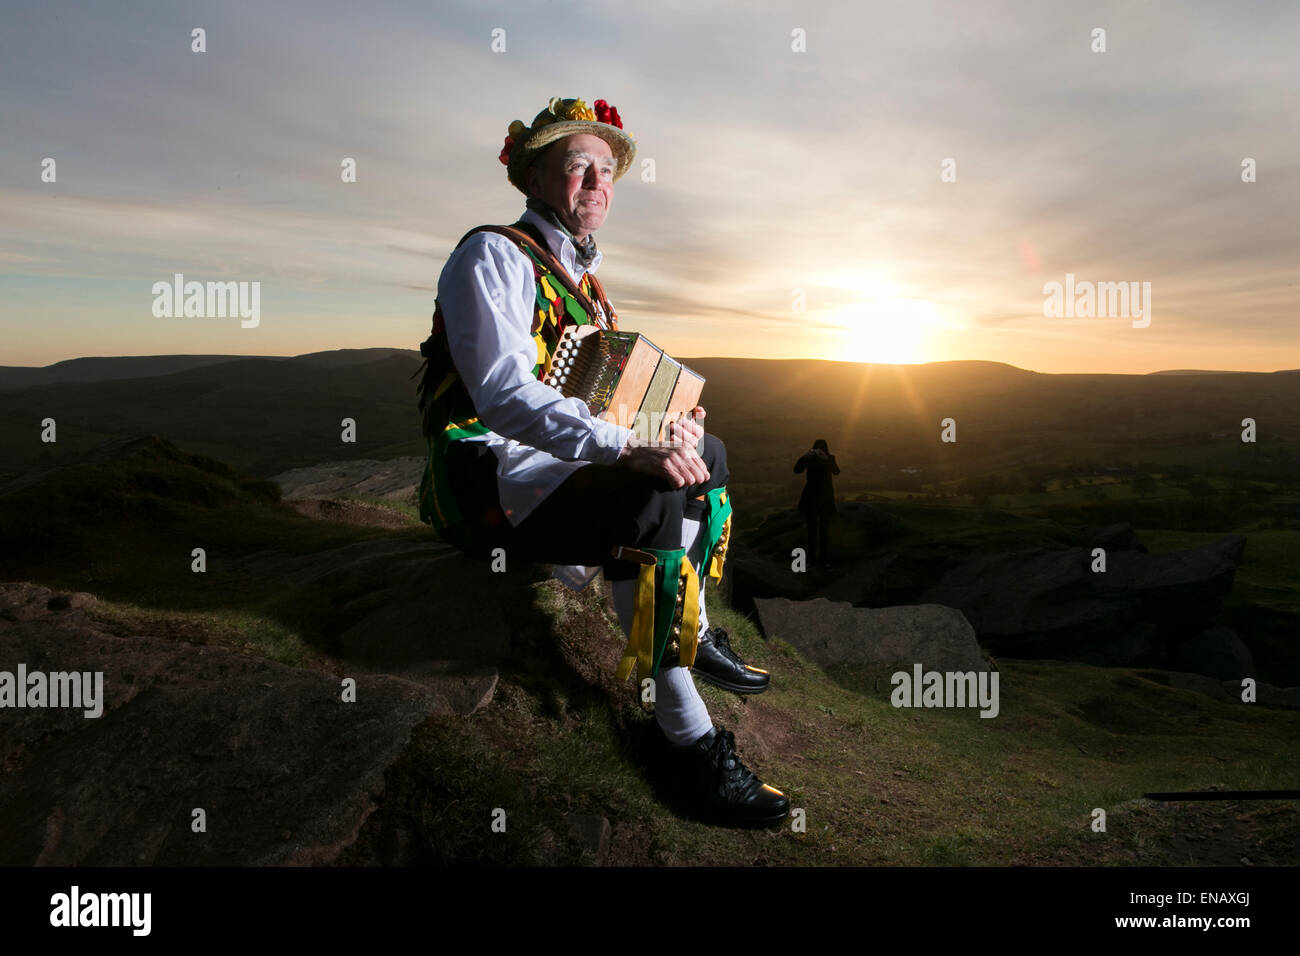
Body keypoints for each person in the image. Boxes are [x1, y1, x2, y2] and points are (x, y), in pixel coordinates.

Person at [413, 96, 786, 826]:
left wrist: (669, 423)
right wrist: (628, 445)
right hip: (487, 470)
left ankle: (692, 630)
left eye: (606, 170)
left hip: (556, 462)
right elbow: (501, 397)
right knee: (642, 500)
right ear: (534, 179)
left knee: (706, 454)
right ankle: (685, 740)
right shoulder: (492, 254)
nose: (596, 183)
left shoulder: (586, 283)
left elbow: (605, 396)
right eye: (576, 165)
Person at [795, 439, 840, 569]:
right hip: (814, 497)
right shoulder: (810, 459)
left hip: (821, 498)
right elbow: (797, 470)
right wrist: (805, 457)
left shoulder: (829, 458)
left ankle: (822, 561)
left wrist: (826, 459)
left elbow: (836, 471)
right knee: (813, 531)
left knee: (822, 531)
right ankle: (813, 561)